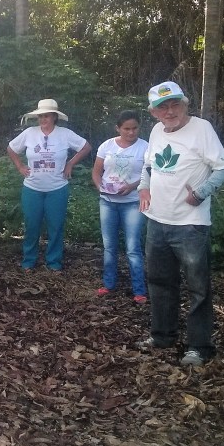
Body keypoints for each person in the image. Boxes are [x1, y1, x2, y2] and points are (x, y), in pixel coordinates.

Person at [138, 81, 224, 366]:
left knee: (198, 288)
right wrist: (143, 187)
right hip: (157, 220)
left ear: (185, 104)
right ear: (153, 112)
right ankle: (162, 336)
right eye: (162, 107)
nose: (170, 111)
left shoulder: (201, 129)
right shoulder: (156, 131)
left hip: (191, 224)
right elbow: (149, 165)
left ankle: (199, 347)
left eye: (175, 104)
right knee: (159, 282)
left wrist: (202, 192)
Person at [6, 99, 92, 272]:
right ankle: (29, 260)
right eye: (40, 116)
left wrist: (70, 163)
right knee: (31, 225)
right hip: (32, 188)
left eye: (46, 116)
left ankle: (53, 262)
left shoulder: (65, 134)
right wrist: (20, 166)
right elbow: (11, 148)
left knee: (56, 226)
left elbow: (86, 147)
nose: (43, 119)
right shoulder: (30, 133)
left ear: (54, 117)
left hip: (57, 188)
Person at [92, 110, 149, 303]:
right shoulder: (107, 146)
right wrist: (101, 187)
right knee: (109, 246)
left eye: (135, 128)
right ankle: (109, 284)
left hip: (133, 202)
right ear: (118, 128)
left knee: (133, 247)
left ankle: (139, 290)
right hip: (108, 203)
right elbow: (96, 172)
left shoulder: (145, 147)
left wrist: (132, 186)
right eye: (126, 129)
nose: (131, 132)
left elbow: (150, 174)